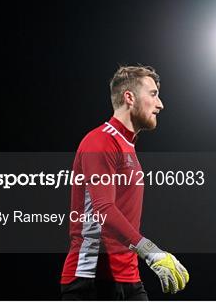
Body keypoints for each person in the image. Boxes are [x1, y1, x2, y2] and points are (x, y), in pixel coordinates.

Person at [61, 65, 189, 300]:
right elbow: (104, 209)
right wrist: (151, 251)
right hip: (92, 278)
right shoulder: (100, 141)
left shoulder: (127, 145)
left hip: (128, 277)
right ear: (129, 97)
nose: (160, 105)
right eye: (153, 94)